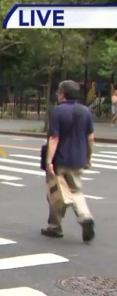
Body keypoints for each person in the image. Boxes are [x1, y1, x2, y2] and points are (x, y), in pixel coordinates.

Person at [42, 80, 95, 243]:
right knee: (75, 190)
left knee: (55, 193)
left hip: (61, 159)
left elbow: (54, 137)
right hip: (78, 159)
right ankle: (85, 215)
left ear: (63, 94)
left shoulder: (58, 111)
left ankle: (55, 226)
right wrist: (88, 157)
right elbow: (90, 137)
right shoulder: (85, 111)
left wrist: (49, 160)